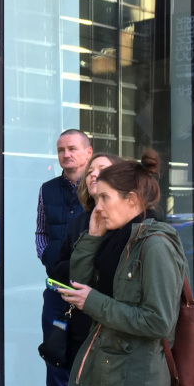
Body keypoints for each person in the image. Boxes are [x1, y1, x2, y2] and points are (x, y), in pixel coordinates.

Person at [58, 150, 186, 386]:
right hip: (98, 371)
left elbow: (159, 321)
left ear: (131, 199)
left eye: (104, 198)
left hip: (129, 381)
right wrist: (92, 236)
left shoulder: (155, 244)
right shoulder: (115, 235)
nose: (97, 206)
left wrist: (95, 303)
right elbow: (79, 280)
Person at [34, 129, 93, 386]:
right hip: (57, 295)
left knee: (87, 374)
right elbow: (41, 233)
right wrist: (50, 259)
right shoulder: (48, 190)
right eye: (61, 150)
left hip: (91, 298)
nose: (66, 155)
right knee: (56, 369)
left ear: (87, 152)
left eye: (72, 149)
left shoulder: (101, 188)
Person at [48, 152, 123, 371]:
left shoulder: (133, 224)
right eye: (90, 171)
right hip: (80, 327)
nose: (94, 174)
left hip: (114, 331)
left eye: (102, 169)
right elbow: (60, 271)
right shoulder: (79, 221)